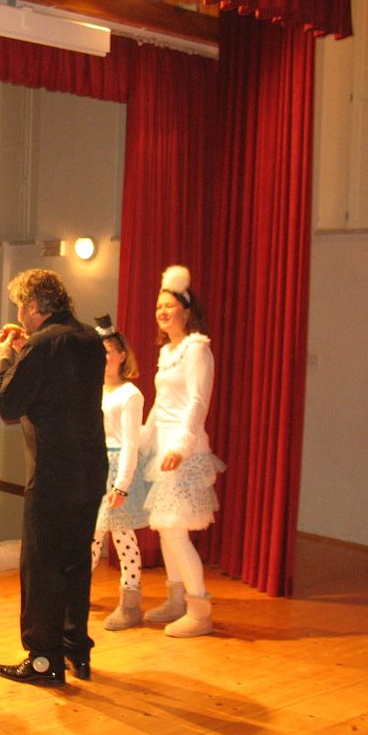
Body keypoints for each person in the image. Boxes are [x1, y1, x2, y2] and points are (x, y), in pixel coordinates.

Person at [0, 268, 107, 686]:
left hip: (54, 473)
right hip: (91, 470)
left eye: (21, 306)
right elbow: (59, 385)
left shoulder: (41, 345)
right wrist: (27, 351)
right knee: (76, 562)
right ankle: (77, 651)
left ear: (35, 306)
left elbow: (8, 403)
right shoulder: (90, 340)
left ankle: (43, 658)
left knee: (42, 565)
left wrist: (5, 357)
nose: (19, 314)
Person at [140, 266, 224, 638]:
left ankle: (199, 610)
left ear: (186, 311)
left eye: (169, 305)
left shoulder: (196, 349)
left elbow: (197, 402)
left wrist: (181, 445)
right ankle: (176, 600)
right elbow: (161, 404)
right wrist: (143, 439)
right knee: (164, 528)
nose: (162, 311)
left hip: (183, 452)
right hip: (163, 450)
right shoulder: (167, 351)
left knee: (175, 531)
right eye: (159, 306)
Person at [90, 316, 149, 631]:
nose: (104, 358)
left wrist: (122, 484)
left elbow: (130, 442)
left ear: (122, 355)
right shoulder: (94, 389)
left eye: (109, 352)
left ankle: (130, 602)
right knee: (90, 535)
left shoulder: (130, 395)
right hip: (95, 465)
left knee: (123, 536)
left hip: (116, 469)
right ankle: (78, 591)